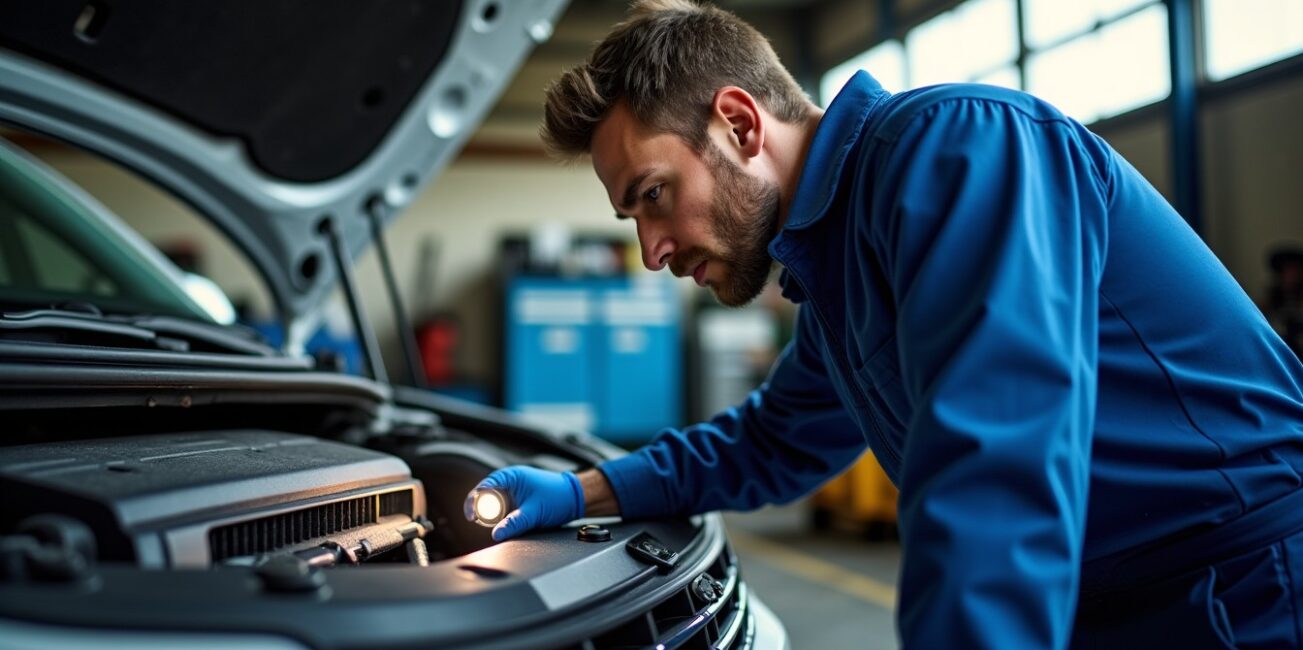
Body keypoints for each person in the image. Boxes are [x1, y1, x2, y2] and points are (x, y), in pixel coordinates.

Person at [468, 1, 1303, 646]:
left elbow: (995, 457)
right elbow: (773, 443)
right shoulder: (831, 270)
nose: (650, 251)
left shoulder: (955, 149)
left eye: (653, 196)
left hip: (1243, 593)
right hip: (1114, 606)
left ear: (739, 123)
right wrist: (580, 491)